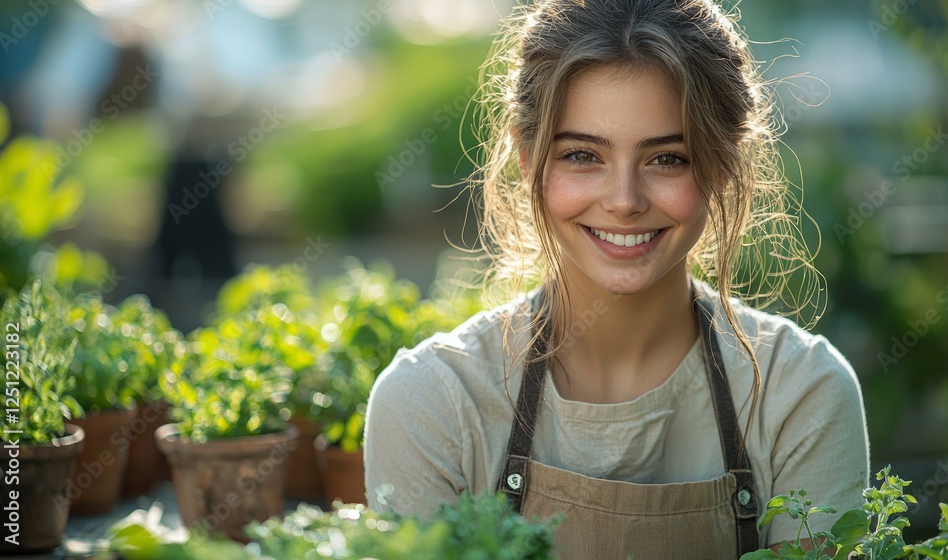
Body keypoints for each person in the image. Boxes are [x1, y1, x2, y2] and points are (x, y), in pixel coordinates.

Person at [363, 0, 870, 557]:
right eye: (583, 155)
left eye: (668, 159)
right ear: (529, 159)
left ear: (722, 165)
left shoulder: (801, 393)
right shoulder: (431, 403)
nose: (624, 201)